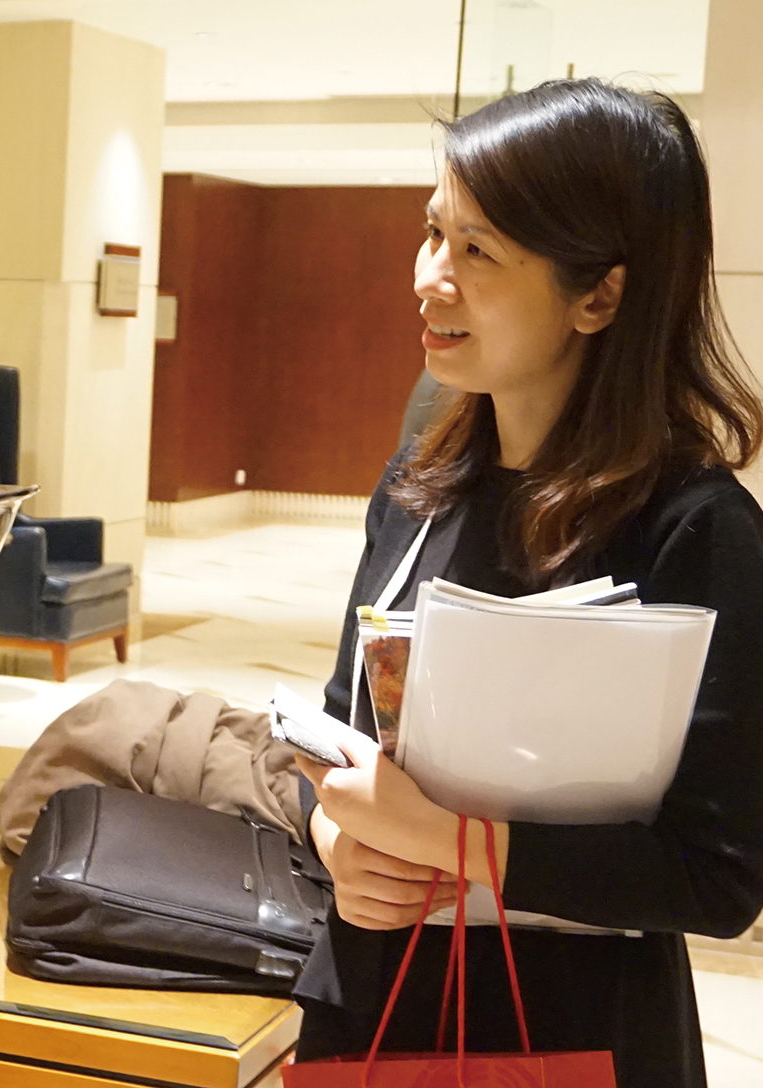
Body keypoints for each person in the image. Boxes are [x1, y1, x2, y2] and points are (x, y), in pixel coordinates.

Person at [293, 79, 763, 1088]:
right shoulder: (416, 488)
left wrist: (452, 842)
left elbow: (717, 877)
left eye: (477, 251)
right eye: (433, 232)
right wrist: (336, 837)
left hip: (567, 1032)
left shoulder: (696, 528)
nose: (429, 277)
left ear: (599, 296)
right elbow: (338, 735)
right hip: (371, 1004)